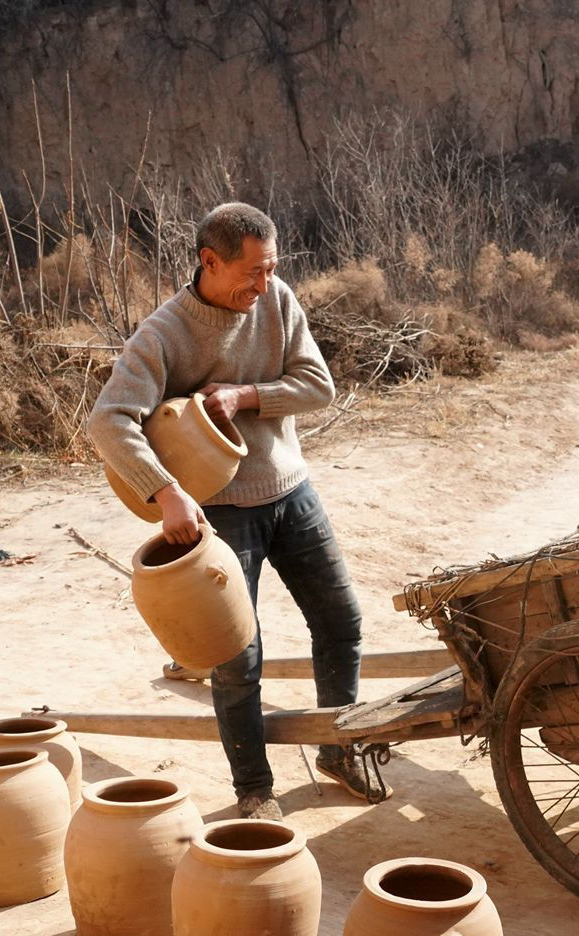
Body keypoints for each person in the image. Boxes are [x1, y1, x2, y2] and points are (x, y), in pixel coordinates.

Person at [87, 201, 386, 821]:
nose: (263, 283)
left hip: (292, 491)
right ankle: (254, 790)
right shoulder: (164, 333)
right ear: (209, 262)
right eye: (252, 272)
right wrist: (165, 491)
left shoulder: (276, 301)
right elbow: (109, 420)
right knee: (235, 657)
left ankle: (337, 748)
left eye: (271, 269)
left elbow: (318, 385)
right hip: (219, 515)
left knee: (341, 622)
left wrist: (248, 395)